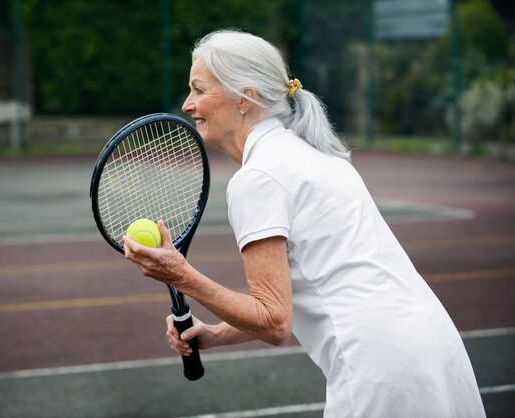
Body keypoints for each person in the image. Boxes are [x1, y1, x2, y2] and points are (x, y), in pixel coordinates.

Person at [123, 29, 485, 418]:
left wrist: (180, 274)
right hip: (434, 348)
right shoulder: (315, 155)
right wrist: (216, 333)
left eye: (199, 89)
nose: (188, 104)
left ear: (247, 98)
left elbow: (274, 321)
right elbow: (315, 287)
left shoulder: (259, 177)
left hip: (377, 367)